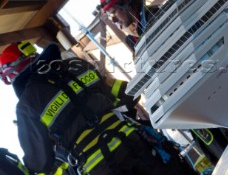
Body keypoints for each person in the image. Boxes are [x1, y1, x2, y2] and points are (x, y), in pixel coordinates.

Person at [0, 41, 196, 175]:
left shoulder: (27, 104)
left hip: (102, 168)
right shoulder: (76, 65)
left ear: (12, 74)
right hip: (137, 144)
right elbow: (125, 93)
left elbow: (39, 162)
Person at [100, 0, 228, 166]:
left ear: (126, 2)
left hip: (201, 94)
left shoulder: (159, 18)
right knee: (221, 152)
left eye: (114, 12)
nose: (114, 20)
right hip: (188, 102)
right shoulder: (139, 36)